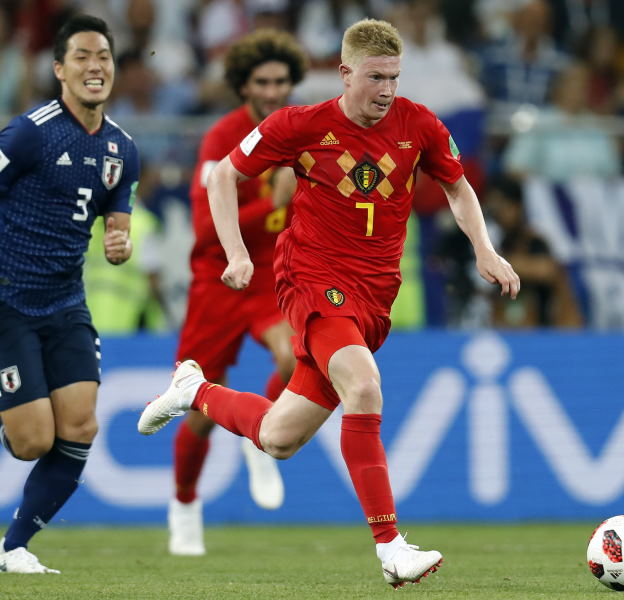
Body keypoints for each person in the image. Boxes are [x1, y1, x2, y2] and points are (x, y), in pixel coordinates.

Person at [139, 18, 520, 587]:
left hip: (374, 297)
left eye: (393, 76)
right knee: (363, 386)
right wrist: (238, 255)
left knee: (277, 438)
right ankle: (391, 547)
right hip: (313, 281)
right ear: (345, 74)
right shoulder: (300, 125)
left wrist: (484, 250)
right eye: (374, 78)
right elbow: (222, 176)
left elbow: (458, 186)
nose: (385, 90)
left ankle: (194, 389)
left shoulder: (419, 125)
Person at [0, 14, 139, 574]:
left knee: (82, 427)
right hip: (9, 299)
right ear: (60, 70)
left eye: (104, 56)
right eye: (83, 56)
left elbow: (117, 215)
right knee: (33, 443)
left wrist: (120, 240)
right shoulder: (31, 131)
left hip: (67, 303)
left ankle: (9, 550)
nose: (96, 66)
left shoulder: (123, 148)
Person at [168, 28, 307, 557]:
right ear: (242, 85)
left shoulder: (299, 132)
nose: (273, 91)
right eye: (261, 82)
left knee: (300, 356)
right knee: (199, 411)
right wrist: (272, 203)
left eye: (281, 81)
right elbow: (206, 229)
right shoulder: (219, 139)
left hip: (273, 275)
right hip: (219, 278)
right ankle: (183, 503)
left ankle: (263, 432)